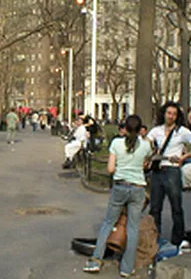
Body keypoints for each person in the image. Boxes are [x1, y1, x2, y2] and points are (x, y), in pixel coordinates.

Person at [83, 115, 153, 277]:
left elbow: (110, 169)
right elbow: (146, 162)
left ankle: (95, 260)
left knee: (108, 222)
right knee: (133, 227)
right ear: (140, 129)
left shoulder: (116, 143)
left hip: (120, 186)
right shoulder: (145, 145)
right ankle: (127, 268)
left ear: (125, 128)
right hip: (138, 187)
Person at [147, 101, 191, 248]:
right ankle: (154, 238)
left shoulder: (182, 132)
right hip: (158, 170)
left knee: (176, 207)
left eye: (174, 114)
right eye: (168, 113)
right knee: (155, 207)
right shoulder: (156, 131)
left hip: (172, 170)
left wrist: (184, 157)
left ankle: (177, 239)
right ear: (164, 114)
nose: (171, 117)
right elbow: (145, 145)